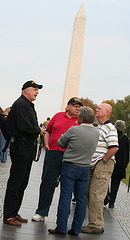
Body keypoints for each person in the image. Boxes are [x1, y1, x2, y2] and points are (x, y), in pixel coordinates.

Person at [48, 107, 99, 236]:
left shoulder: (74, 129)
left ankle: (61, 227)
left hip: (70, 166)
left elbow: (60, 143)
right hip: (85, 168)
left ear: (80, 118)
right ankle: (76, 229)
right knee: (81, 200)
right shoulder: (96, 132)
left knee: (65, 197)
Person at [32, 97, 83, 222]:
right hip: (54, 154)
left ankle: (62, 217)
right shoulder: (58, 116)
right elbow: (48, 131)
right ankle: (41, 212)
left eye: (79, 106)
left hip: (70, 157)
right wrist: (47, 144)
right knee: (47, 183)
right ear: (68, 106)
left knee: (67, 186)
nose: (77, 108)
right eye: (75, 106)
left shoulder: (81, 120)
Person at [3, 80, 46, 227]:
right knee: (16, 182)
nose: (37, 92)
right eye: (34, 89)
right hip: (21, 145)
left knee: (23, 182)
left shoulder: (27, 105)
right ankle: (8, 215)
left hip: (27, 146)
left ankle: (14, 212)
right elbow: (24, 126)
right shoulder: (21, 104)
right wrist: (38, 130)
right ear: (25, 91)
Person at [82, 103, 119, 234]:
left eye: (99, 109)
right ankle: (93, 221)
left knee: (96, 194)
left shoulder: (110, 128)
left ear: (107, 112)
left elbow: (114, 147)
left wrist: (103, 161)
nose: (96, 110)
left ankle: (96, 225)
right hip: (92, 164)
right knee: (87, 192)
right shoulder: (97, 127)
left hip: (103, 163)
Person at [108, 120, 129, 208]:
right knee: (115, 184)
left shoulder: (111, 136)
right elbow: (127, 154)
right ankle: (112, 201)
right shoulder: (125, 139)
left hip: (110, 161)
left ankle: (106, 197)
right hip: (120, 166)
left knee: (104, 181)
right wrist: (125, 165)